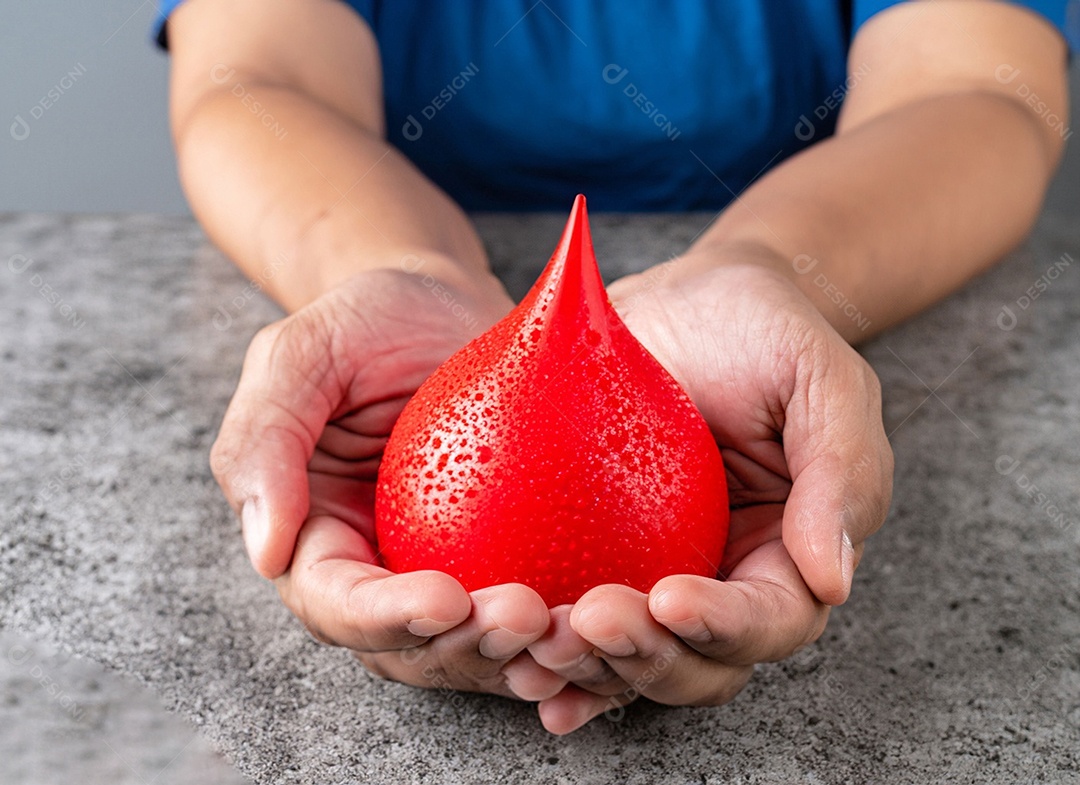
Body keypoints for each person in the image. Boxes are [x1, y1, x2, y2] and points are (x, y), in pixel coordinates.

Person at [156, 0, 1071, 734]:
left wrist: (758, 268)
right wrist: (394, 271)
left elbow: (976, 92)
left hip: (790, 257)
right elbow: (255, 79)